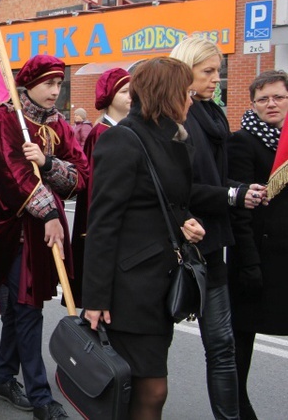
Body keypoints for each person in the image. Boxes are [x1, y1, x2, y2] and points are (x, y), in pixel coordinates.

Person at [83, 57, 206, 419]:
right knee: (147, 388)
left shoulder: (174, 139)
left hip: (159, 283)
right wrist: (95, 297)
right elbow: (102, 223)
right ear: (168, 95)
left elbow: (166, 201)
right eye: (187, 92)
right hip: (128, 289)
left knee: (145, 388)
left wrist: (186, 221)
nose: (192, 100)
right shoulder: (123, 139)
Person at [0, 54, 88, 420]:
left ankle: (4, 378)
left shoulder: (59, 123)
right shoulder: (4, 118)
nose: (55, 92)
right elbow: (11, 174)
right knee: (27, 309)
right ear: (28, 84)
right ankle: (41, 397)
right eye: (48, 84)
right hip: (12, 230)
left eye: (59, 84)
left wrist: (47, 163)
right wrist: (52, 213)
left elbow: (81, 176)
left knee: (21, 310)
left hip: (44, 232)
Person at [170, 37, 265, 420]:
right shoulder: (178, 117)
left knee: (222, 345)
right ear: (186, 71)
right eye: (207, 72)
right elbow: (180, 188)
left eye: (218, 72)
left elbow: (220, 177)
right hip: (183, 245)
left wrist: (238, 192)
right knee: (153, 348)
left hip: (215, 243)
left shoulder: (214, 114)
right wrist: (232, 195)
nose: (216, 80)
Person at [226, 70, 288, 420]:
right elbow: (241, 211)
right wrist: (249, 262)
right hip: (257, 257)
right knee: (242, 341)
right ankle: (238, 409)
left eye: (278, 97)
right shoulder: (243, 141)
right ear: (253, 104)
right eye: (263, 99)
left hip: (286, 255)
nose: (271, 104)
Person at [69, 68, 131, 305]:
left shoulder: (125, 131)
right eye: (124, 91)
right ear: (110, 96)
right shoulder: (100, 133)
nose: (131, 96)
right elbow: (96, 186)